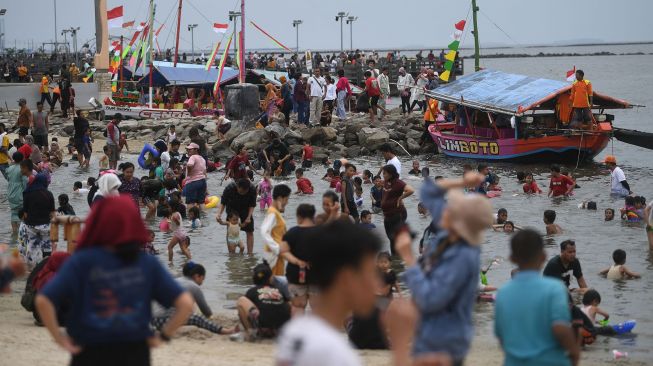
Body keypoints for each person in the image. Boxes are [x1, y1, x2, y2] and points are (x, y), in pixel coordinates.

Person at [35, 196, 193, 366]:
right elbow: (185, 304)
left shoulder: (81, 261)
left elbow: (44, 300)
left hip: (89, 351)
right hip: (135, 352)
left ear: (96, 223)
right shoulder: (146, 263)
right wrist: (163, 336)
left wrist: (59, 338)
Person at [392, 171, 492, 365]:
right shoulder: (448, 232)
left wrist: (408, 257)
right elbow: (428, 192)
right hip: (428, 331)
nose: (445, 209)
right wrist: (461, 182)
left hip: (445, 339)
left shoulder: (463, 257)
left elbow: (431, 299)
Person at [276, 220, 381, 366]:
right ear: (347, 279)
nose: (376, 284)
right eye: (371, 274)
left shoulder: (294, 331)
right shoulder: (337, 354)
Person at [495, 229, 580, 366]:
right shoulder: (555, 289)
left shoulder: (503, 293)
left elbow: (501, 337)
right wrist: (574, 354)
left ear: (511, 258)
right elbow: (560, 328)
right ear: (543, 256)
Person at [152, 262, 237, 335]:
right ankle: (226, 331)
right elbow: (206, 311)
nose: (202, 282)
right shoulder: (193, 286)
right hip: (163, 321)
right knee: (198, 318)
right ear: (197, 276)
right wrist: (209, 317)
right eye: (202, 279)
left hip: (152, 319)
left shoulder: (177, 280)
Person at [236, 261, 291, 341]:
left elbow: (248, 309)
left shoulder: (252, 291)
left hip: (263, 327)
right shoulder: (279, 290)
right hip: (281, 328)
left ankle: (250, 333)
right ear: (271, 278)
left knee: (242, 300)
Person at [280, 204, 316, 315]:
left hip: (296, 274)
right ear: (313, 216)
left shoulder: (292, 233)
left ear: (299, 216)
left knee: (298, 307)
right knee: (318, 309)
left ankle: (298, 332)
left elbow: (283, 251)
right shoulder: (321, 232)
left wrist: (297, 261)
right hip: (318, 275)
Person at [20, 173, 55, 267]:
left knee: (32, 247)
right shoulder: (48, 194)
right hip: (45, 226)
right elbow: (52, 214)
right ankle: (46, 267)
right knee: (47, 247)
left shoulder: (27, 193)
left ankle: (32, 269)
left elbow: (25, 213)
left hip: (31, 226)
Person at [380, 164, 414, 255]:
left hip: (397, 214)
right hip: (387, 214)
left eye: (385, 173)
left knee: (395, 238)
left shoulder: (398, 182)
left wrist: (400, 198)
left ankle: (399, 261)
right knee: (391, 238)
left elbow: (411, 190)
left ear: (391, 174)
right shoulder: (386, 182)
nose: (383, 175)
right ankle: (396, 261)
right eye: (383, 173)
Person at [217, 179, 257, 254]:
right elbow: (223, 202)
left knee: (250, 230)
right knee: (230, 229)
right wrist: (219, 214)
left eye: (245, 192)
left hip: (246, 207)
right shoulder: (229, 188)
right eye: (241, 192)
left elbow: (252, 204)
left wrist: (249, 216)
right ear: (237, 187)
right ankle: (231, 253)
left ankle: (250, 254)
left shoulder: (252, 189)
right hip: (232, 207)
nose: (243, 193)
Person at [261, 184, 291, 276]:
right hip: (273, 256)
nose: (287, 202)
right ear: (280, 198)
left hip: (277, 255)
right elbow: (264, 231)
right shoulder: (273, 213)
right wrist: (276, 248)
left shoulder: (275, 212)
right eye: (286, 199)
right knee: (273, 285)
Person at [7, 152, 28, 236]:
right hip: (19, 193)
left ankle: (14, 233)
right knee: (21, 214)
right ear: (22, 158)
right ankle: (20, 234)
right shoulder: (22, 168)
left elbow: (8, 179)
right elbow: (25, 182)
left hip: (10, 193)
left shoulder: (9, 168)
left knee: (13, 213)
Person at [184, 142, 207, 208]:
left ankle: (189, 218)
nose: (188, 151)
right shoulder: (202, 159)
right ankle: (204, 216)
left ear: (196, 150)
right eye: (187, 150)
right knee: (201, 203)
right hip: (202, 182)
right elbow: (205, 173)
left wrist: (189, 174)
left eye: (190, 149)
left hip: (192, 182)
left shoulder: (192, 157)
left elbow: (190, 165)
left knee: (190, 203)